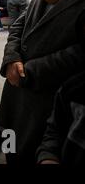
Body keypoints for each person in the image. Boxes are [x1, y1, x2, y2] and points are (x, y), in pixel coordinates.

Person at [0, 0, 85, 164]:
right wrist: (11, 58)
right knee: (10, 147)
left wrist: (32, 71)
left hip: (47, 108)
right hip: (15, 103)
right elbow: (17, 26)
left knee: (34, 154)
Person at [36, 9, 85, 165]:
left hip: (38, 79)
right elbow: (55, 132)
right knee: (11, 142)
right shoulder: (73, 89)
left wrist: (29, 70)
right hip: (26, 87)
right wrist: (48, 156)